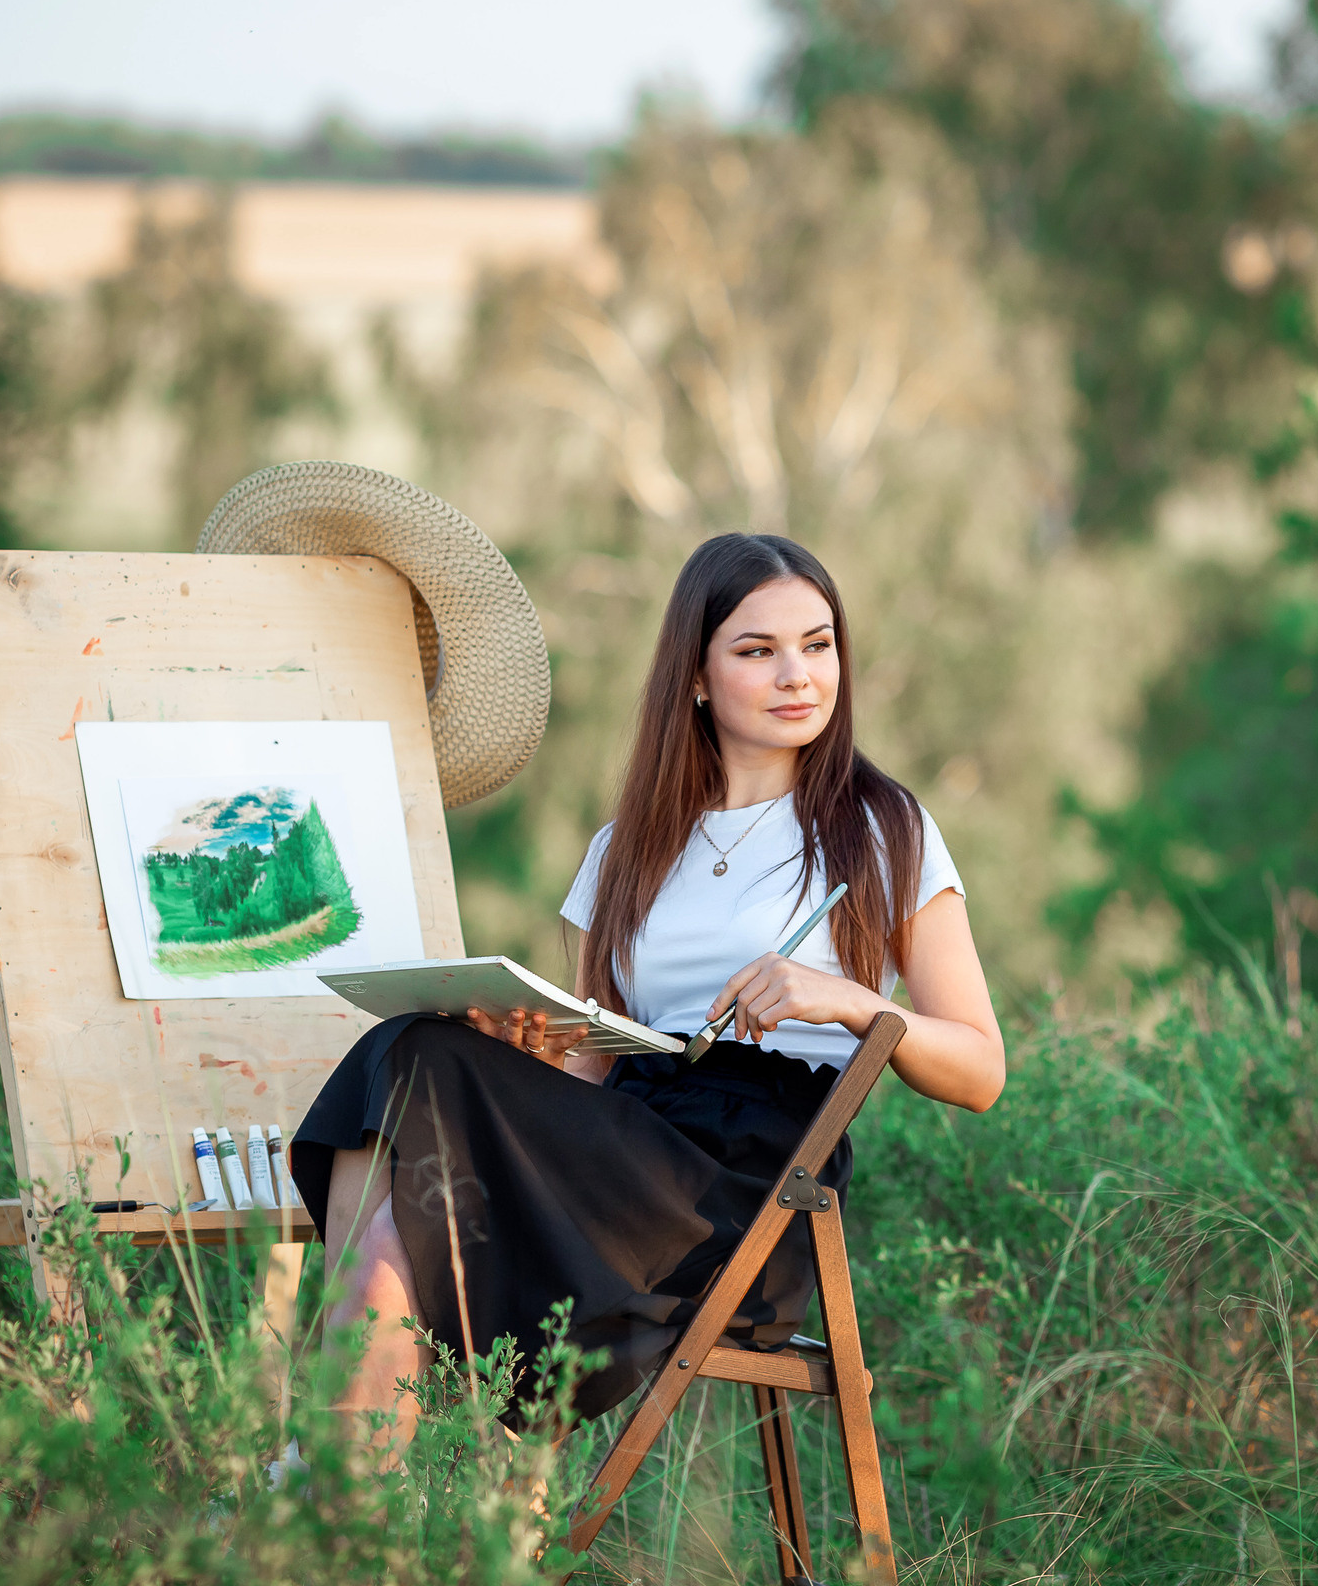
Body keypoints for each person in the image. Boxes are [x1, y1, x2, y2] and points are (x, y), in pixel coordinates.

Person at [289, 532, 1003, 1452]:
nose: (798, 675)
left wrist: (851, 1002)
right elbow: (592, 1066)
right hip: (623, 1138)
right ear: (697, 677)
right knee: (414, 1054)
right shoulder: (622, 853)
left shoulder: (879, 826)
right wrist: (528, 1053)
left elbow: (981, 1069)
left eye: (817, 644)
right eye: (758, 650)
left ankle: (317, 1496)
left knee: (405, 1183)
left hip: (748, 1180)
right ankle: (340, 1508)